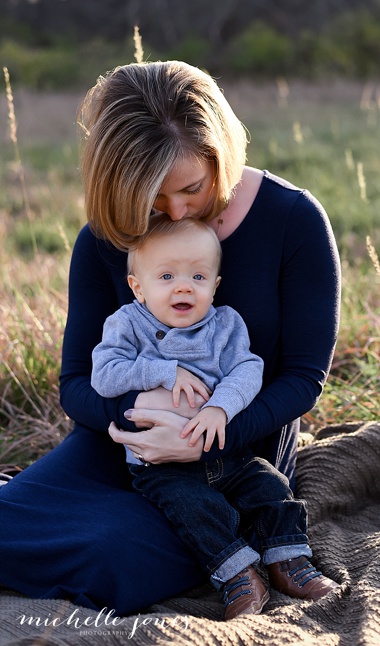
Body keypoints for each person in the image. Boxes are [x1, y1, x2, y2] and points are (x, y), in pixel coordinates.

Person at [0, 60, 341, 616]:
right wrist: (140, 410)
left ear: (220, 155)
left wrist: (207, 433)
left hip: (235, 449)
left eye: (192, 189)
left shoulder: (293, 221)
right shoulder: (103, 240)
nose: (177, 212)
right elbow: (75, 384)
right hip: (125, 444)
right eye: (154, 199)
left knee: (123, 562)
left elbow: (303, 378)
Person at [90, 214, 338, 620]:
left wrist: (220, 408)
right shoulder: (127, 325)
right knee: (195, 509)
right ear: (138, 287)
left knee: (270, 486)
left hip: (226, 452)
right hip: (160, 465)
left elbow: (247, 369)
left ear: (215, 285)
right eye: (166, 276)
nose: (184, 286)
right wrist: (163, 371)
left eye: (198, 277)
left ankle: (289, 560)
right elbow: (103, 375)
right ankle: (238, 575)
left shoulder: (224, 326)